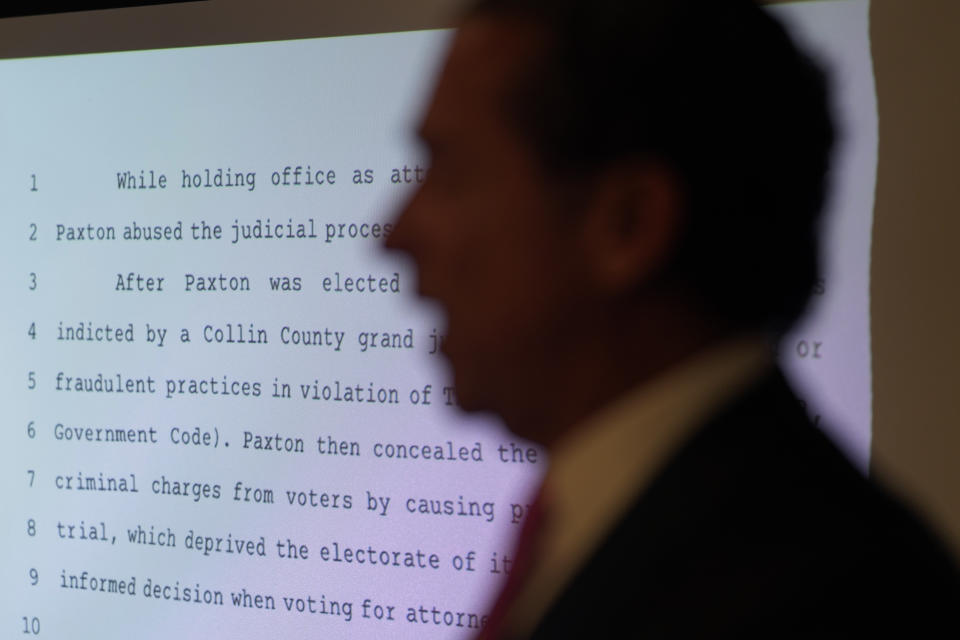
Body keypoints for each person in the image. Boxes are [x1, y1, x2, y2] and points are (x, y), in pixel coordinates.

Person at [385, 0, 960, 636]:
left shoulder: (829, 598)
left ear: (627, 225)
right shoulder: (654, 522)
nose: (393, 234)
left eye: (451, 173)